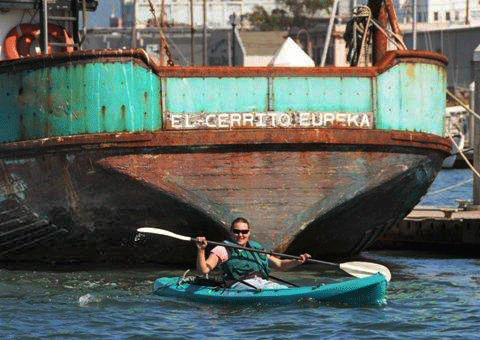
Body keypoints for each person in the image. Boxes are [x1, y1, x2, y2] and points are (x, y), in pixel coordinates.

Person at [195, 217, 311, 290]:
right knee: (266, 289)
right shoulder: (222, 249)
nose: (240, 235)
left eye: (244, 232)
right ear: (231, 232)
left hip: (261, 283)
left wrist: (297, 261)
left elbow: (279, 264)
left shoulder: (256, 248)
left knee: (284, 289)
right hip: (238, 286)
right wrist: (201, 250)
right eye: (236, 231)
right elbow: (203, 270)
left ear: (249, 233)